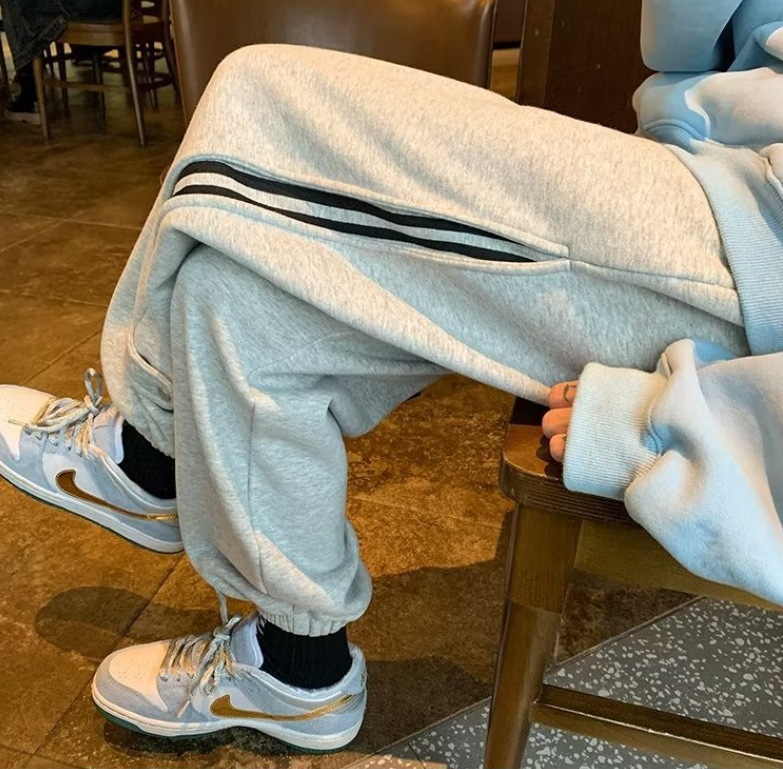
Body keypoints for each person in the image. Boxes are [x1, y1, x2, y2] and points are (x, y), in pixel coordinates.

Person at [0, 0, 781, 752]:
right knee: (231, 301)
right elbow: (684, 47)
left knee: (261, 96)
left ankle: (150, 449)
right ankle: (298, 667)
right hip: (716, 183)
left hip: (751, 251)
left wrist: (678, 423)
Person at [1, 0, 121, 124]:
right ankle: (84, 50)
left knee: (15, 3)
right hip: (117, 8)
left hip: (90, 9)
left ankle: (29, 94)